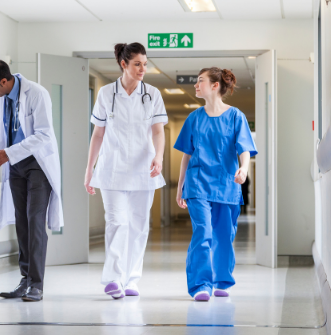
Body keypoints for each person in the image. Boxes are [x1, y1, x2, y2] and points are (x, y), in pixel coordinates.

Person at [0, 60, 63, 302]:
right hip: (14, 165)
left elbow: (43, 134)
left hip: (37, 164)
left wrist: (9, 153)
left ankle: (37, 284)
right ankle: (25, 280)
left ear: (4, 81)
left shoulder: (37, 94)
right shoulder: (0, 96)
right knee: (21, 222)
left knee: (35, 222)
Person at [84, 42, 168, 299]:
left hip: (144, 169)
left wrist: (159, 157)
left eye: (145, 63)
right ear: (123, 64)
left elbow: (157, 131)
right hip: (112, 169)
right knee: (117, 222)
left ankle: (132, 279)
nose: (143, 68)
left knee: (139, 226)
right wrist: (89, 169)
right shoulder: (106, 94)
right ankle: (113, 278)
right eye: (137, 64)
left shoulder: (151, 94)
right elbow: (98, 134)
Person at [174, 67, 257, 301]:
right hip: (197, 184)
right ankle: (200, 285)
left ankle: (221, 280)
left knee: (223, 236)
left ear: (215, 86)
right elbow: (186, 156)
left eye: (200, 81)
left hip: (226, 185)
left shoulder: (235, 116)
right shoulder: (194, 118)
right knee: (203, 231)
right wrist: (180, 186)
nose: (196, 85)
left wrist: (244, 169)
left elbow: (244, 150)